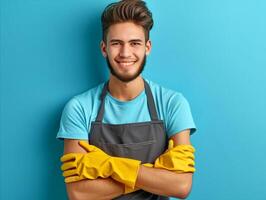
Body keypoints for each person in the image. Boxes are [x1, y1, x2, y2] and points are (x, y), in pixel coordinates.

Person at [56, 0, 197, 199]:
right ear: (104, 48)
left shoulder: (172, 104)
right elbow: (79, 193)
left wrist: (110, 165)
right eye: (116, 43)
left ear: (147, 47)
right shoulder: (79, 108)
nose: (125, 53)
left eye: (135, 43)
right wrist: (154, 175)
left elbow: (181, 185)